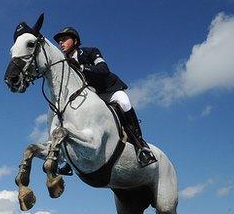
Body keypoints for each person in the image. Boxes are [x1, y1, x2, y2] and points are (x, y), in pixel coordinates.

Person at [53, 27, 157, 175]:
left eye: (64, 39)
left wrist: (82, 67)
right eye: (59, 41)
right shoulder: (65, 62)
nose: (61, 43)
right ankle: (70, 161)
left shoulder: (91, 51)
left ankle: (141, 146)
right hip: (92, 96)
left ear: (75, 41)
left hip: (109, 90)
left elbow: (103, 69)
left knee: (124, 102)